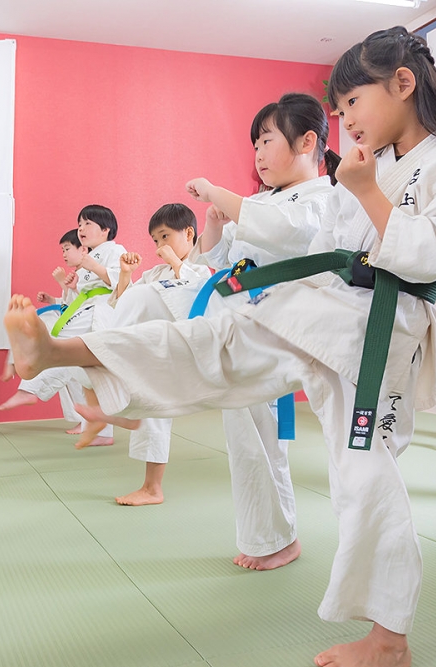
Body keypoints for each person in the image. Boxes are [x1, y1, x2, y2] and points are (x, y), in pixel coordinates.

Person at [4, 27, 436, 667]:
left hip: (381, 331)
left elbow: (428, 255)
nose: (346, 120)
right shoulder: (377, 166)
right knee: (214, 338)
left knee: (364, 471)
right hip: (325, 309)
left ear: (403, 84)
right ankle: (65, 354)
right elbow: (332, 248)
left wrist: (365, 191)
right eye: (341, 108)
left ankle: (387, 640)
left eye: (353, 103)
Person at [186, 92, 338, 567]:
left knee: (275, 436)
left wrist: (216, 192)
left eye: (266, 140)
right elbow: (218, 259)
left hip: (297, 329)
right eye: (254, 144)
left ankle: (279, 538)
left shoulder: (325, 197)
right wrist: (213, 222)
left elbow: (282, 231)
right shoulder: (263, 201)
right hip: (251, 322)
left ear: (307, 140)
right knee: (248, 433)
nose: (257, 153)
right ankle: (271, 537)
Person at [84, 203, 213, 504]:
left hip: (183, 351)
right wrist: (126, 275)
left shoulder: (201, 268)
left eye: (165, 237)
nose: (158, 246)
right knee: (151, 411)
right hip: (153, 353)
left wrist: (177, 265)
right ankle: (152, 488)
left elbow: (198, 302)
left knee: (148, 404)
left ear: (189, 234)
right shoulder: (155, 272)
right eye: (155, 240)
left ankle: (103, 377)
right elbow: (125, 302)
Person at [0, 206, 126, 447]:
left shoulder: (114, 250)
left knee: (58, 346)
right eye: (79, 223)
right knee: (90, 373)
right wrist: (72, 286)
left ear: (106, 229)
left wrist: (89, 266)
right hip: (86, 310)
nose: (81, 228)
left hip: (101, 313)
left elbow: (120, 282)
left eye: (87, 223)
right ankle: (102, 432)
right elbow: (83, 294)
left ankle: (28, 384)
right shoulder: (92, 256)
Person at [0, 229, 90, 434]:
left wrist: (61, 283)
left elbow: (85, 303)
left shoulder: (91, 272)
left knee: (55, 354)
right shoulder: (80, 273)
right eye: (62, 250)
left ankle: (24, 382)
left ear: (82, 249)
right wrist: (52, 299)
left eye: (67, 249)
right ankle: (84, 420)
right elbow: (71, 302)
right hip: (74, 323)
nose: (64, 254)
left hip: (84, 327)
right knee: (73, 375)